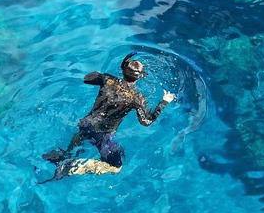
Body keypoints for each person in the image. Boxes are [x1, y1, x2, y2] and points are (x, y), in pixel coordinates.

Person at [40, 51, 175, 182]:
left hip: (86, 123)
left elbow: (87, 79)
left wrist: (103, 76)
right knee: (116, 168)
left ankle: (65, 154)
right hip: (103, 134)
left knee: (81, 135)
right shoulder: (137, 98)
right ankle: (72, 167)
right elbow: (146, 122)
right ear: (140, 77)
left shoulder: (108, 80)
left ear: (122, 70)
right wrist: (164, 102)